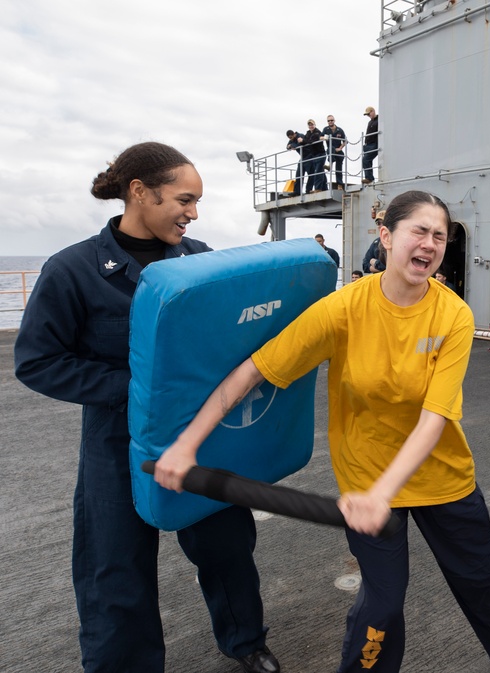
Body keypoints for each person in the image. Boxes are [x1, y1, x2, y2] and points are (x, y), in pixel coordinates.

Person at [152, 190, 490, 673]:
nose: (430, 245)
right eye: (419, 231)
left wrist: (382, 496)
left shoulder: (453, 314)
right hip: (368, 475)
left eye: (439, 236)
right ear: (386, 236)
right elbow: (254, 371)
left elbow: (436, 418)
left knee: (482, 579)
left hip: (440, 474)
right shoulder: (344, 309)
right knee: (383, 603)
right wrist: (185, 446)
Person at [13, 142, 280, 673]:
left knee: (226, 545)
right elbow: (37, 361)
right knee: (115, 565)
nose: (194, 213)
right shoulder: (72, 270)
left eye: (198, 202)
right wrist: (135, 389)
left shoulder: (203, 261)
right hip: (118, 444)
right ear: (140, 192)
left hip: (203, 437)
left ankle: (246, 640)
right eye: (185, 199)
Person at [303, 119, 328, 193]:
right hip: (314, 155)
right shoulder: (308, 133)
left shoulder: (317, 132)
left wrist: (304, 141)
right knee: (320, 171)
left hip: (320, 154)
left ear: (315, 125)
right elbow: (305, 141)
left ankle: (318, 188)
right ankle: (324, 188)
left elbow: (311, 140)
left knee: (318, 171)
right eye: (309, 125)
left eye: (312, 124)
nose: (311, 126)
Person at [323, 115, 347, 189]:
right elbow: (320, 137)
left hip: (338, 151)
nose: (330, 122)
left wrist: (340, 148)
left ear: (334, 120)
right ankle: (330, 164)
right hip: (331, 150)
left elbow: (345, 141)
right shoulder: (325, 129)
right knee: (330, 148)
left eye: (331, 120)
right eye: (328, 121)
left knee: (339, 168)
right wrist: (325, 138)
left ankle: (340, 184)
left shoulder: (340, 130)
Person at [362, 209, 387, 274]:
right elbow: (365, 265)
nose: (380, 225)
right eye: (378, 223)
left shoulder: (396, 241)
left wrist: (373, 262)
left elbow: (391, 266)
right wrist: (381, 267)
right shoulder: (376, 243)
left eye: (383, 222)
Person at [285, 128, 305, 196]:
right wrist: (289, 146)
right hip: (303, 157)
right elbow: (287, 147)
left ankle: (310, 189)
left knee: (313, 174)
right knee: (298, 174)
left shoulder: (300, 136)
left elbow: (302, 144)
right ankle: (297, 191)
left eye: (291, 137)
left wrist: (293, 146)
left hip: (310, 156)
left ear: (294, 134)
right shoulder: (291, 140)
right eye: (289, 138)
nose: (290, 139)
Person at [361, 106, 379, 184]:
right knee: (368, 161)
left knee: (365, 159)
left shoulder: (379, 120)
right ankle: (369, 178)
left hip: (374, 144)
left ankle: (369, 178)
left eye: (369, 114)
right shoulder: (370, 122)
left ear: (373, 111)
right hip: (368, 144)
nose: (368, 116)